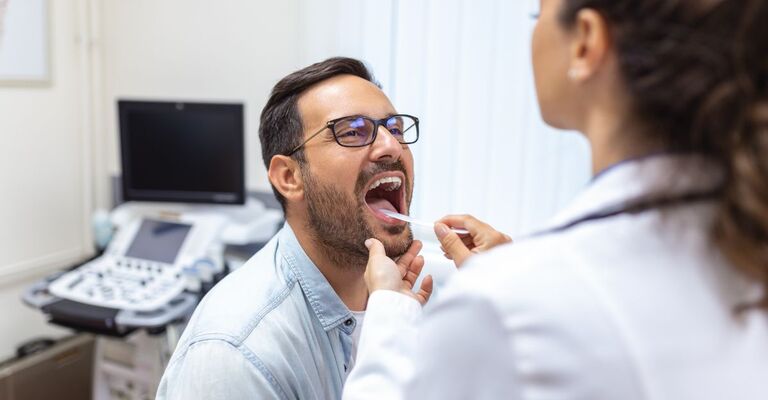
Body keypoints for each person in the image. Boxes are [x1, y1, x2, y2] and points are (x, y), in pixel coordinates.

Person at [344, 0, 768, 398]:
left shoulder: (508, 307)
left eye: (538, 13)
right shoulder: (744, 244)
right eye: (352, 131)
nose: (388, 147)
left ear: (585, 41)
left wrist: (389, 313)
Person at [157, 57, 432, 399]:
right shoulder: (236, 355)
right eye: (353, 131)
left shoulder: (407, 296)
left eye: (394, 128)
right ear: (289, 177)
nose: (392, 146)